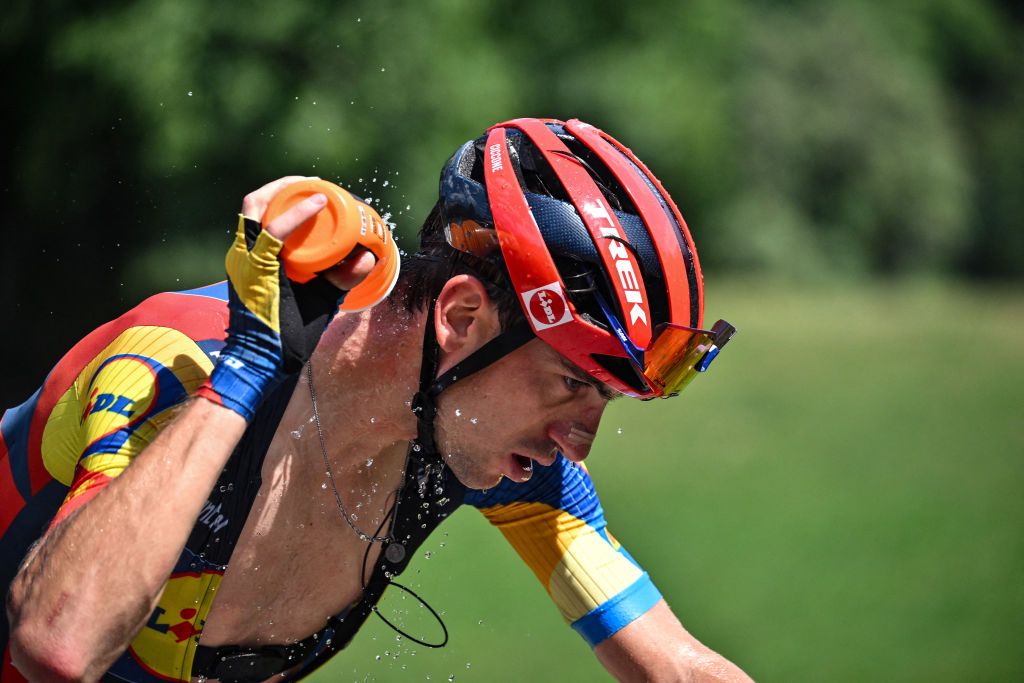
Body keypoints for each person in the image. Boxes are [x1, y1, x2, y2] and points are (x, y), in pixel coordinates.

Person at [1, 118, 747, 682]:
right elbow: (59, 644)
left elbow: (678, 666)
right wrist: (243, 373)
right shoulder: (181, 363)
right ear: (460, 318)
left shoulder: (482, 443)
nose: (579, 442)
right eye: (574, 383)